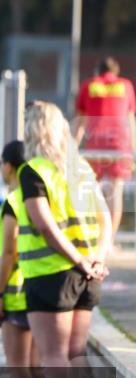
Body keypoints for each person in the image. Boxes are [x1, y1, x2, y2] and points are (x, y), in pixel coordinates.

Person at [17, 102, 112, 378]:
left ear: (32, 131)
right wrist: (96, 260)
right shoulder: (82, 170)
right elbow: (105, 220)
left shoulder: (33, 171)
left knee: (54, 355)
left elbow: (43, 224)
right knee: (77, 353)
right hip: (87, 278)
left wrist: (77, 259)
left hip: (52, 276)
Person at [0, 140, 46, 378]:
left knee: (17, 365)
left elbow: (9, 251)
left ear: (9, 166)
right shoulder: (38, 194)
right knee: (36, 365)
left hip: (14, 294)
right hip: (36, 287)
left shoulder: (13, 200)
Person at [74, 57, 136, 243]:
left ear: (97, 71)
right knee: (115, 193)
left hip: (96, 145)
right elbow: (130, 120)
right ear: (116, 72)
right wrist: (133, 150)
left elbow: (81, 123)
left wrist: (72, 147)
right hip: (120, 145)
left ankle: (95, 237)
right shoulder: (126, 85)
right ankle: (109, 241)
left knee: (93, 189)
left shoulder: (89, 85)